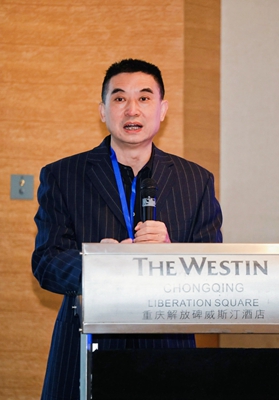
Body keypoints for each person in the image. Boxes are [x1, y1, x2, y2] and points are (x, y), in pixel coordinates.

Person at [32, 58, 223, 399]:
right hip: (86, 343)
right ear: (102, 111)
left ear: (162, 110)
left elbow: (213, 270)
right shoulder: (63, 176)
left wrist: (172, 253)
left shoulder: (196, 181)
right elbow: (46, 262)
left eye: (144, 98)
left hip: (167, 349)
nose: (132, 109)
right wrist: (99, 264)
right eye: (119, 98)